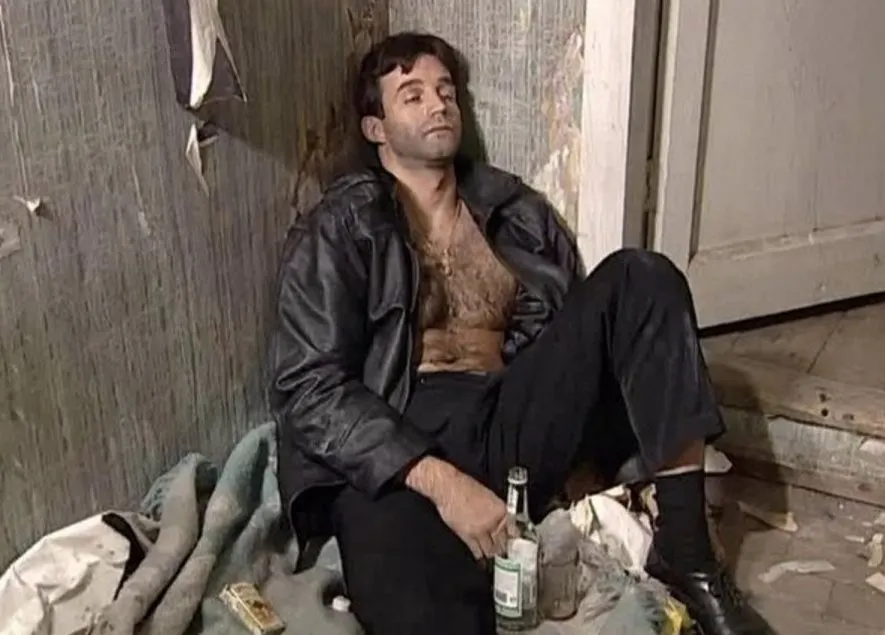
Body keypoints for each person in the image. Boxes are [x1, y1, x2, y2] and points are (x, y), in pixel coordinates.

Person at [268, 31, 775, 635]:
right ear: (375, 128)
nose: (438, 105)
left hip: (504, 413)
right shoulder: (342, 225)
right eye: (412, 95)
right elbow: (308, 388)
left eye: (446, 91)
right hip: (398, 437)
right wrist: (445, 485)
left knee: (643, 276)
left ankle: (686, 555)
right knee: (416, 605)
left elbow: (565, 341)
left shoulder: (516, 214)